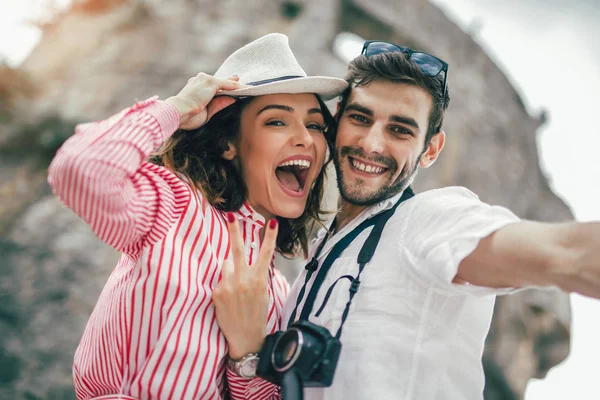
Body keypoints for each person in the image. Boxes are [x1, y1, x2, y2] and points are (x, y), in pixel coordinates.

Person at [213, 40, 600, 399]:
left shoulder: (429, 221)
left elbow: (562, 252)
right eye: (361, 119)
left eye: (400, 129)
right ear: (336, 121)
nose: (371, 144)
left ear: (431, 149)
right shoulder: (320, 248)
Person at [47, 33, 348, 400]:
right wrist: (176, 108)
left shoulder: (281, 291)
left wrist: (248, 352)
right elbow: (81, 169)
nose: (306, 139)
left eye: (316, 125)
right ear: (228, 144)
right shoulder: (170, 203)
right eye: (277, 122)